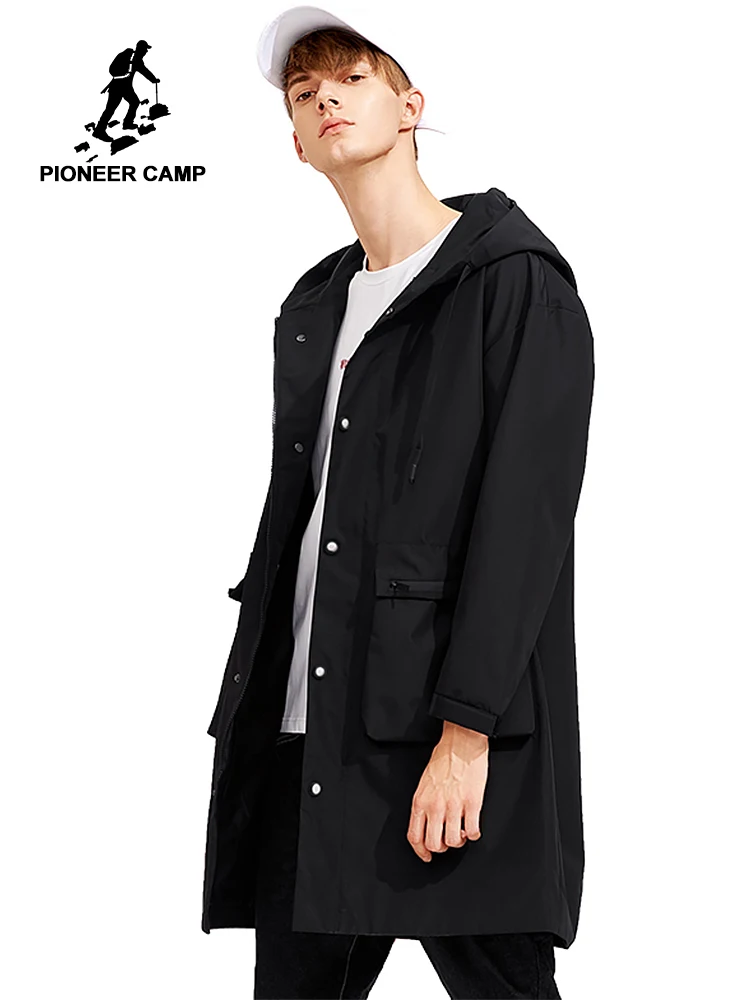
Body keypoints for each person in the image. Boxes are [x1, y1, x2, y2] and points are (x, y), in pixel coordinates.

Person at [201, 7, 595, 999]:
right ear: (297, 144)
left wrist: (466, 733)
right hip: (308, 732)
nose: (325, 97)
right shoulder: (316, 304)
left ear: (411, 104)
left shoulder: (512, 283)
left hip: (440, 734)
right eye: (304, 92)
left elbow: (525, 526)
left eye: (353, 78)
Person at [93, 39, 159, 143]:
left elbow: (144, 71)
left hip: (124, 87)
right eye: (145, 49)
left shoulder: (134, 58)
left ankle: (127, 123)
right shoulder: (132, 57)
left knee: (134, 102)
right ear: (140, 49)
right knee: (111, 108)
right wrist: (153, 80)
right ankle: (99, 131)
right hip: (118, 87)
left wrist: (153, 79)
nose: (146, 51)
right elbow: (112, 69)